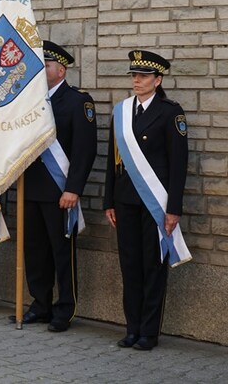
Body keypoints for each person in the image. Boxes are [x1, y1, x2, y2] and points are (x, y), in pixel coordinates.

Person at [104, 50, 189, 351]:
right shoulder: (122, 112)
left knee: (153, 267)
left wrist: (173, 209)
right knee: (130, 265)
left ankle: (149, 333)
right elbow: (114, 162)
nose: (136, 80)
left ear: (158, 79)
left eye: (143, 76)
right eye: (134, 76)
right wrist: (109, 201)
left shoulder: (170, 112)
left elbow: (179, 165)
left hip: (155, 204)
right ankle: (132, 328)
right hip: (126, 200)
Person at [14, 41, 97, 332]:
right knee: (35, 252)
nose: (42, 69)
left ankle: (65, 309)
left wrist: (73, 189)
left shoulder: (78, 102)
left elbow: (85, 150)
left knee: (61, 252)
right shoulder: (31, 100)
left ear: (60, 70)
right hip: (31, 188)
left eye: (46, 65)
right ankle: (40, 304)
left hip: (60, 192)